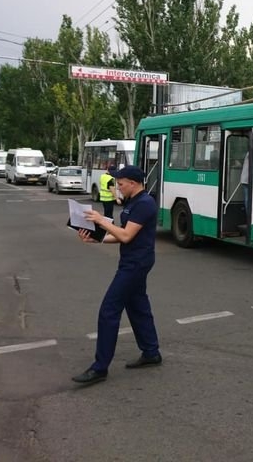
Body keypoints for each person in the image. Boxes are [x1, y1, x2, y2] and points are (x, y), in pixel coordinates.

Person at [72, 165, 162, 385]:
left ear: (133, 182)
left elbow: (126, 235)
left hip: (136, 264)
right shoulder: (133, 202)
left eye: (120, 184)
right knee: (138, 306)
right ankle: (151, 352)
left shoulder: (144, 204)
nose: (118, 188)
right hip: (132, 261)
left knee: (109, 310)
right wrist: (97, 238)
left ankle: (100, 368)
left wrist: (100, 220)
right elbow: (121, 236)